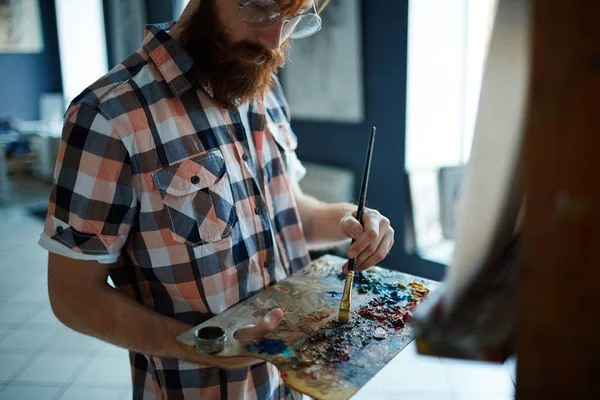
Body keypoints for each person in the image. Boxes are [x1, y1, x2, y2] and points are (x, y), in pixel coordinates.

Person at [40, 0, 395, 398]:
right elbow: (74, 296)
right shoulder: (107, 115)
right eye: (262, 8)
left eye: (295, 19)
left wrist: (350, 220)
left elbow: (288, 214)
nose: (275, 40)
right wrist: (210, 349)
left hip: (292, 384)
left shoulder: (262, 85)